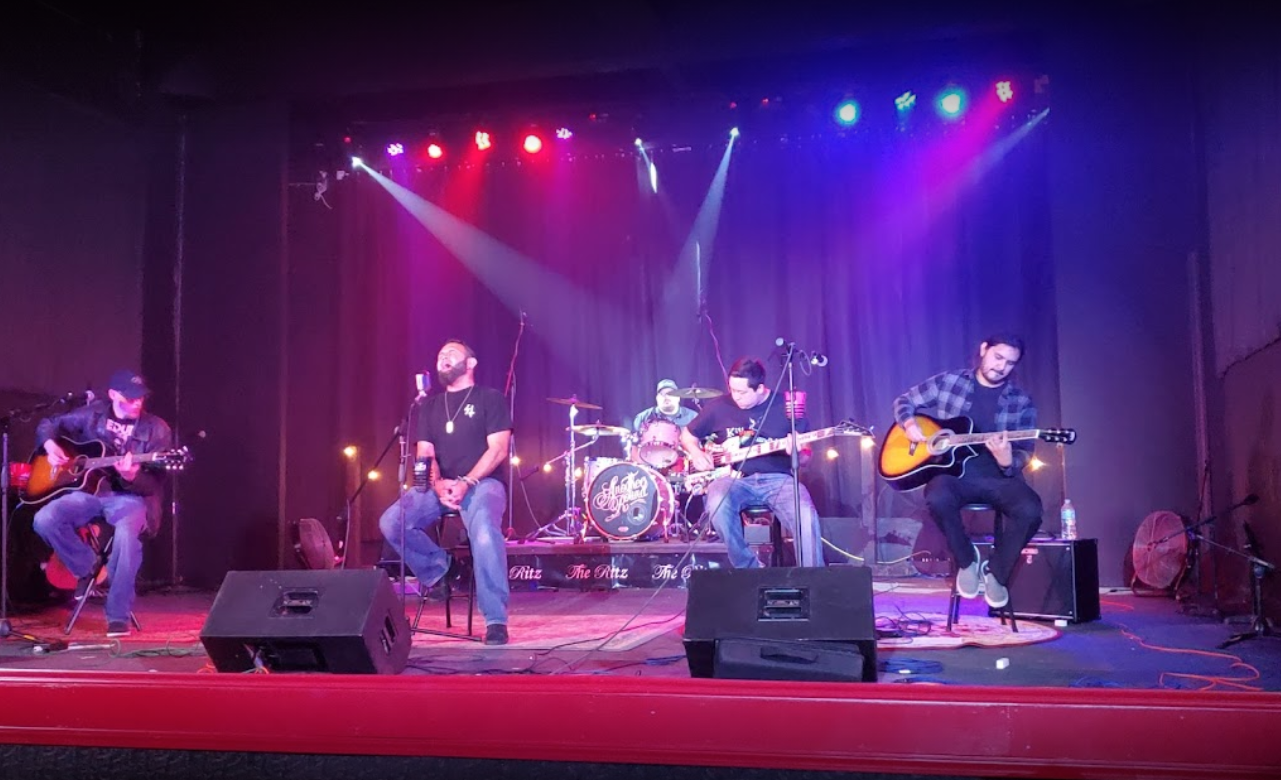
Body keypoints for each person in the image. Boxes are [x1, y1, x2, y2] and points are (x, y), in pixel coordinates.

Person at [892, 333, 1043, 609]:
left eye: (1010, 363)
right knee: (937, 497)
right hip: (953, 476)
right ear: (984, 349)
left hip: (997, 478)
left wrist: (1007, 460)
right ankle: (966, 560)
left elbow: (1025, 450)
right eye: (998, 357)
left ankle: (996, 573)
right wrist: (910, 424)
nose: (1001, 366)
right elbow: (904, 401)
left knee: (1031, 509)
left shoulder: (1021, 401)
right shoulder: (950, 382)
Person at [378, 340, 513, 646]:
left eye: (451, 353)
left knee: (484, 532)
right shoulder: (430, 406)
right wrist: (438, 484)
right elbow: (425, 453)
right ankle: (442, 570)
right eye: (440, 355)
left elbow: (498, 449)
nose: (443, 358)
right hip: (440, 486)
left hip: (482, 483)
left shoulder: (490, 398)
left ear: (471, 363)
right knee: (391, 522)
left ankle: (495, 619)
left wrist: (466, 482)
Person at [31, 369, 173, 637]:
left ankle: (118, 615)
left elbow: (154, 485)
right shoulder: (93, 413)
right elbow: (49, 424)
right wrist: (50, 447)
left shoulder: (157, 429)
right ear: (113, 395)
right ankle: (90, 569)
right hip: (89, 494)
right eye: (130, 398)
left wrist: (132, 477)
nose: (137, 403)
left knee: (127, 538)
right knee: (44, 519)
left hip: (130, 498)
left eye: (140, 398)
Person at [680, 357, 823, 568]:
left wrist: (797, 451)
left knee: (805, 515)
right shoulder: (718, 406)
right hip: (733, 479)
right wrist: (696, 452)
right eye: (732, 390)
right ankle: (748, 568)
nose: (735, 396)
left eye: (742, 392)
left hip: (778, 480)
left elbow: (806, 459)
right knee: (716, 503)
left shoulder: (788, 407)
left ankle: (814, 575)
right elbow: (687, 435)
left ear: (760, 389)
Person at [627, 379, 698, 463]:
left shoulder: (693, 417)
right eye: (662, 394)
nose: (666, 397)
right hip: (652, 463)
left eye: (670, 393)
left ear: (678, 397)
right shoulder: (643, 417)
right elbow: (634, 446)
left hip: (684, 463)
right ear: (657, 398)